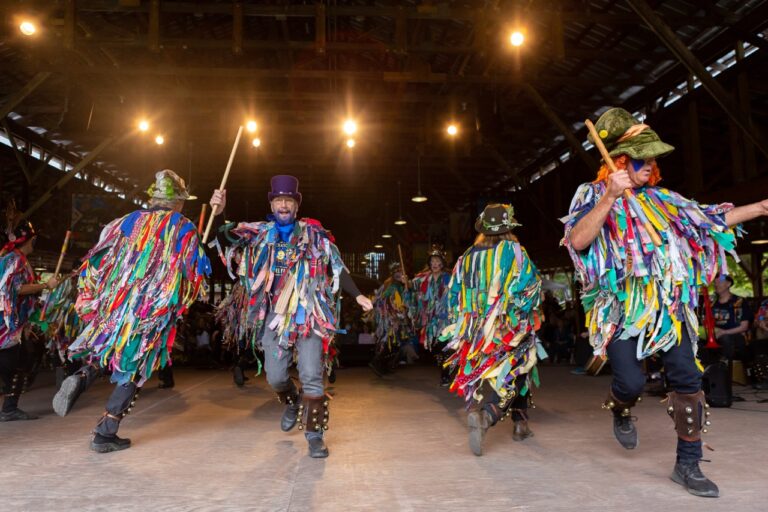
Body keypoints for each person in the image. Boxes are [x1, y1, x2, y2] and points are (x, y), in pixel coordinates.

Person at [562, 107, 768, 497]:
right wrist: (609, 195)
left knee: (688, 378)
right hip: (622, 310)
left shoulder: (665, 200)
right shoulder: (593, 194)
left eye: (654, 157)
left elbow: (710, 221)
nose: (651, 163)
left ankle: (687, 464)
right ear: (621, 160)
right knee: (630, 381)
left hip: (670, 310)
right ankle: (621, 407)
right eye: (644, 156)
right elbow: (577, 241)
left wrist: (758, 208)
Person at [209, 174, 372, 458]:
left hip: (307, 314)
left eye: (288, 200)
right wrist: (221, 212)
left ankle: (314, 436)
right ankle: (292, 400)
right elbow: (226, 235)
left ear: (296, 206)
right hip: (274, 316)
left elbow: (337, 267)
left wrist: (357, 294)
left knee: (311, 374)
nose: (283, 205)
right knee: (275, 377)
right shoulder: (260, 232)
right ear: (271, 205)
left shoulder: (314, 234)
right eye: (278, 200)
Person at [53, 170, 211, 452]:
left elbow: (96, 259)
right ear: (179, 203)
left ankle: (82, 376)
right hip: (152, 309)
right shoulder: (183, 226)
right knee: (135, 366)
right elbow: (191, 271)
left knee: (113, 348)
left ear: (153, 198)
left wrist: (94, 296)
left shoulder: (125, 221)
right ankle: (106, 431)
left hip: (118, 303)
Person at [441, 203, 544, 456]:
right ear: (509, 228)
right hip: (509, 327)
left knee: (519, 370)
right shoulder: (516, 251)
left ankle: (521, 423)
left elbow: (455, 293)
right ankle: (487, 415)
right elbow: (530, 287)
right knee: (517, 370)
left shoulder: (467, 256)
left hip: (477, 330)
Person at [0, 221, 60, 421]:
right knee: (17, 363)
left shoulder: (16, 259)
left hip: (13, 325)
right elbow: (15, 289)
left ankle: (10, 407)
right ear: (31, 239)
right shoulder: (14, 260)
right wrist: (44, 284)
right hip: (6, 325)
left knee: (21, 361)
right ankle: (9, 408)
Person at [407, 245, 452, 385]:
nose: (435, 265)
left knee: (444, 345)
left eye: (438, 262)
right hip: (431, 320)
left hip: (445, 318)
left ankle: (445, 375)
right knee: (434, 347)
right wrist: (405, 282)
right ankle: (446, 368)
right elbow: (412, 287)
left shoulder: (449, 277)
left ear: (443, 264)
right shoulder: (423, 278)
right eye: (432, 262)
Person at [369, 262, 414, 375]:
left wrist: (407, 285)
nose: (399, 274)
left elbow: (408, 299)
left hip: (399, 318)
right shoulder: (392, 285)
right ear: (392, 274)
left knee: (396, 343)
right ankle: (377, 363)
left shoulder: (401, 285)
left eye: (401, 271)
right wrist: (393, 317)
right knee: (391, 342)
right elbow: (383, 300)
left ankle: (385, 365)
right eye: (396, 272)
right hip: (391, 319)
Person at [711, 274, 752, 360]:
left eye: (719, 281)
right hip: (716, 336)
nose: (716, 284)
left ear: (728, 284)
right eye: (715, 282)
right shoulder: (712, 303)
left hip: (737, 335)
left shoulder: (739, 301)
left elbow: (744, 327)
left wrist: (724, 332)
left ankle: (730, 366)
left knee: (729, 339)